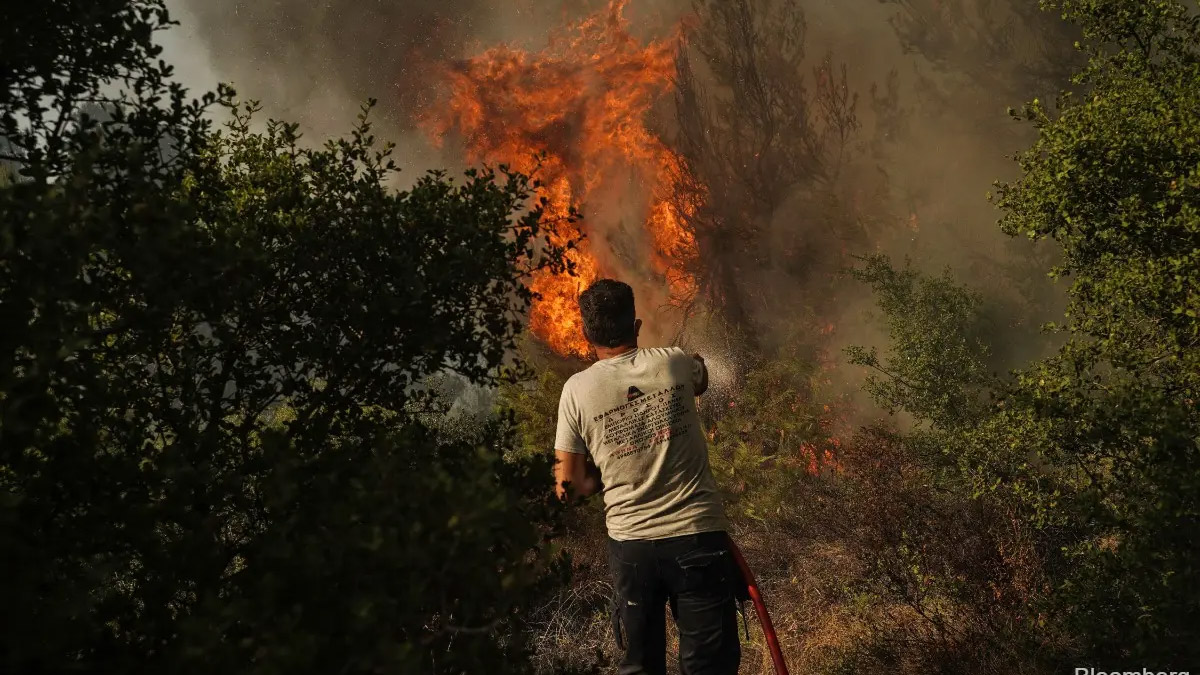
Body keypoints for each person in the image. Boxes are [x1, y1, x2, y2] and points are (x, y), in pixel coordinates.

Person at [553, 279, 741, 675]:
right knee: (711, 666)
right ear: (635, 326)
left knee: (640, 666)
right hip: (698, 538)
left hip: (633, 547)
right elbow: (702, 378)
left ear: (586, 335)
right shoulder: (672, 361)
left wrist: (607, 469)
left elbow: (567, 490)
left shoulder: (575, 391)